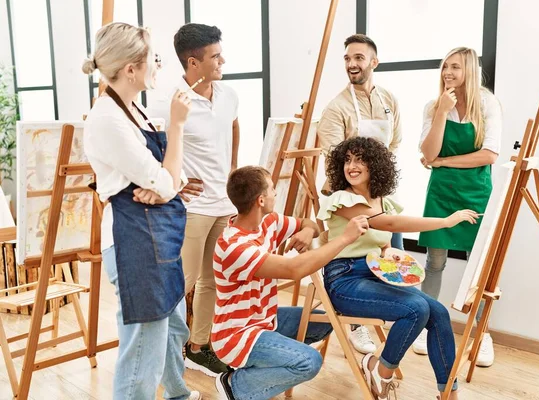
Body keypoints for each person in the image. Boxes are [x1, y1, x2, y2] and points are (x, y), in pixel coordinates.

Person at [82, 22, 200, 400]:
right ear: (131, 67)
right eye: (155, 60)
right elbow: (166, 181)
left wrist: (168, 185)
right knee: (142, 350)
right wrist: (177, 129)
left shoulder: (136, 110)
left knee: (173, 329)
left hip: (158, 237)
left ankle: (179, 395)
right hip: (133, 240)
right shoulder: (107, 119)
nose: (159, 67)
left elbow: (169, 180)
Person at [319, 136, 479, 399]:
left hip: (375, 275)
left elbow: (378, 236)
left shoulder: (383, 200)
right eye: (347, 160)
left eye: (360, 159)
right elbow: (389, 225)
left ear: (376, 165)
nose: (352, 166)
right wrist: (446, 221)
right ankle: (380, 370)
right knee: (415, 309)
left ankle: (448, 393)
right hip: (345, 281)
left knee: (437, 311)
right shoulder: (342, 199)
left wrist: (386, 250)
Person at [211, 166, 368, 400]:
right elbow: (293, 270)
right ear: (261, 200)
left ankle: (259, 367)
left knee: (325, 320)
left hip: (266, 320)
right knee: (308, 362)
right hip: (237, 335)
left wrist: (306, 231)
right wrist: (346, 238)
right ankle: (236, 386)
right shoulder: (234, 246)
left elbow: (310, 223)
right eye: (273, 189)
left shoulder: (268, 222)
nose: (276, 193)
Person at [148, 23, 240, 376]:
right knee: (179, 285)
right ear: (193, 63)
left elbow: (232, 124)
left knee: (213, 280)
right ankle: (164, 356)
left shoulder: (229, 95)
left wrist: (232, 168)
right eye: (216, 56)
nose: (222, 61)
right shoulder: (170, 103)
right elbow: (153, 150)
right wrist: (179, 182)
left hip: (223, 205)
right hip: (191, 209)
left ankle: (198, 348)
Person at [317, 33, 404, 354]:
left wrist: (378, 187)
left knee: (391, 262)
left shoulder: (388, 101)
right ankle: (357, 324)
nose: (352, 64)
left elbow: (394, 144)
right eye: (347, 59)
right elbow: (334, 163)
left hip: (381, 195)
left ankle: (389, 312)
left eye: (359, 58)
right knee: (357, 264)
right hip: (350, 202)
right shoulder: (336, 108)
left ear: (373, 62)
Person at [415, 47, 502, 367]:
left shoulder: (487, 103)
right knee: (434, 262)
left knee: (478, 268)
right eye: (444, 67)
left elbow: (490, 155)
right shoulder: (433, 106)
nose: (447, 73)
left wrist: (444, 162)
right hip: (441, 194)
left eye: (454, 67)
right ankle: (426, 325)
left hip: (477, 193)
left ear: (469, 70)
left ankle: (482, 334)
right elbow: (427, 153)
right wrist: (440, 112)